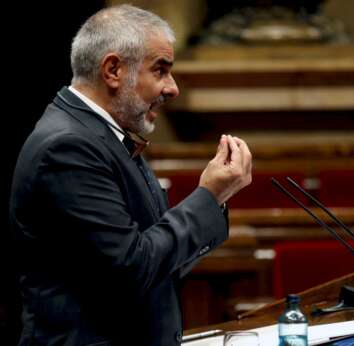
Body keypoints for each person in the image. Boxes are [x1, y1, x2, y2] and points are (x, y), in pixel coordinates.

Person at [9, 4, 252, 346]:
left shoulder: (106, 134)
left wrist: (217, 198)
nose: (173, 88)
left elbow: (158, 260)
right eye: (161, 70)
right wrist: (208, 197)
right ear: (113, 70)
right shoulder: (68, 147)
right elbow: (132, 268)